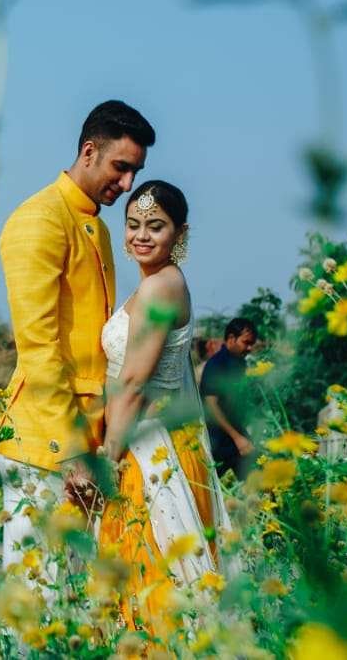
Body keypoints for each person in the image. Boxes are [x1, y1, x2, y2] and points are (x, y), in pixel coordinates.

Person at [0, 100, 155, 599]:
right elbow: (39, 348)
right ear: (89, 152)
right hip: (47, 443)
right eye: (120, 167)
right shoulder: (39, 219)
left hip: (89, 439)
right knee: (35, 599)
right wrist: (74, 452)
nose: (127, 184)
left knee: (74, 604)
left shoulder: (98, 227)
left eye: (135, 171)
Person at [97, 180, 235, 636]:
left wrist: (107, 457)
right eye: (133, 224)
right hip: (150, 440)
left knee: (153, 581)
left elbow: (133, 381)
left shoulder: (161, 287)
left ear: (180, 233)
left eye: (155, 226)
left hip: (148, 448)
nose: (141, 235)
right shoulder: (156, 284)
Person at [199, 317, 259, 479]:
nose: (250, 348)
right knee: (212, 484)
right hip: (217, 439)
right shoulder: (217, 365)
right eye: (246, 342)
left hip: (235, 435)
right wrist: (237, 437)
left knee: (256, 482)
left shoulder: (240, 364)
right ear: (231, 338)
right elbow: (211, 405)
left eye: (252, 344)